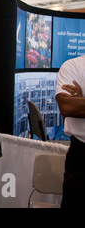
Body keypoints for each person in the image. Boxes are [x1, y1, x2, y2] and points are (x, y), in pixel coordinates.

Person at [54, 55, 85, 208]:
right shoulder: (73, 66)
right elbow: (67, 107)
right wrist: (75, 103)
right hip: (81, 155)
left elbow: (75, 106)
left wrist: (81, 99)